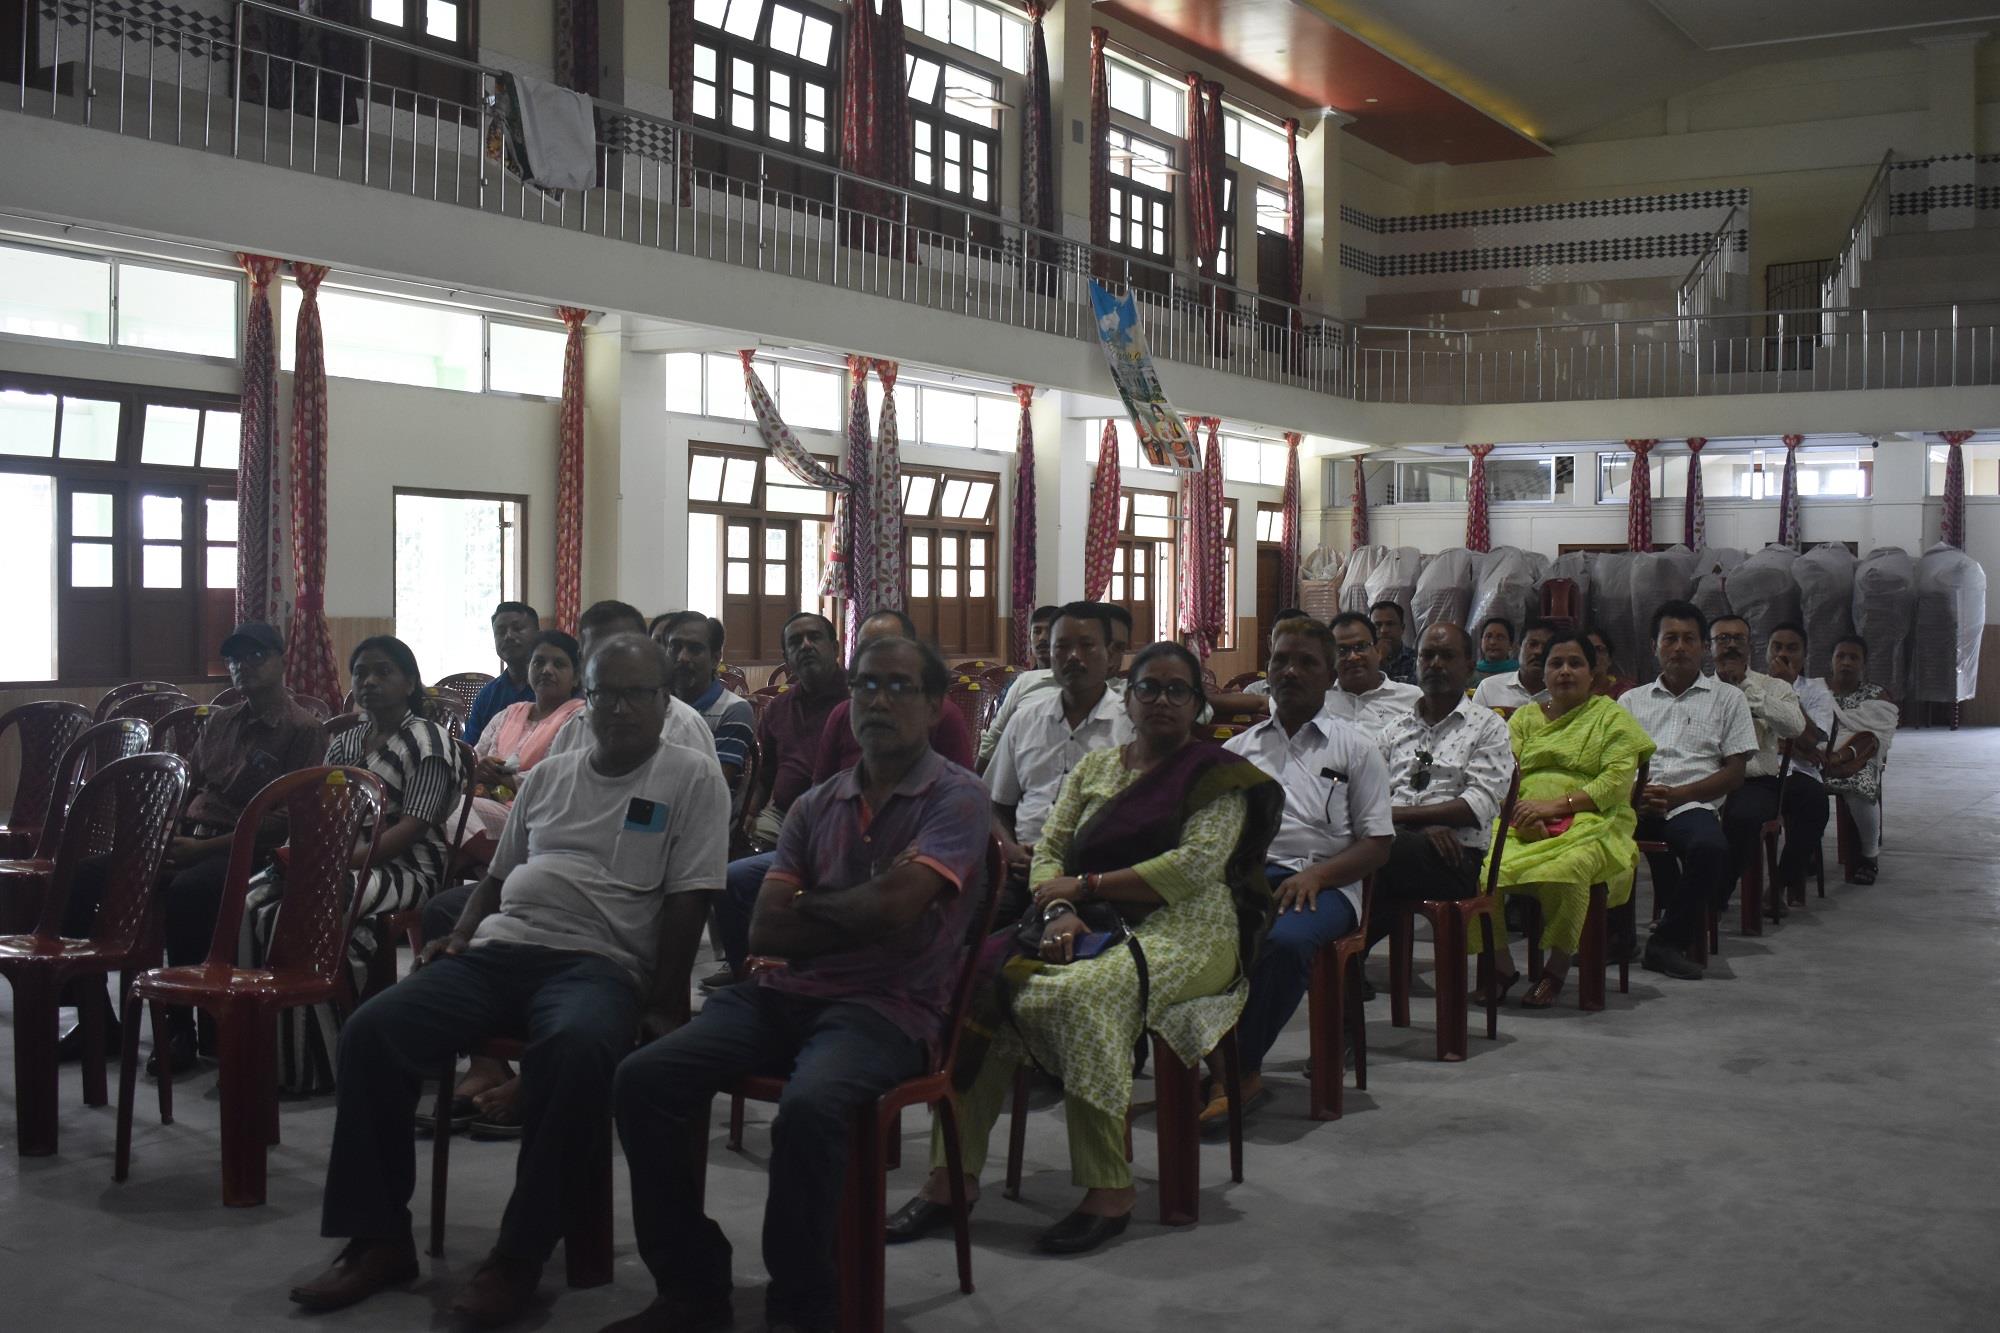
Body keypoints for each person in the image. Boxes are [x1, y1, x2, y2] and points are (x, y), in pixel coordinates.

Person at [290, 635, 727, 1325]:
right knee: (374, 1030)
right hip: (500, 950)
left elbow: (690, 897)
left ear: (663, 700)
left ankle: (518, 1257)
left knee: (577, 1050)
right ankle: (378, 1239)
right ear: (588, 699)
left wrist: (666, 1001)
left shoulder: (691, 777)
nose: (618, 708)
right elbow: (496, 876)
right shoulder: (554, 775)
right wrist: (458, 936)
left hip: (599, 963)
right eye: (605, 693)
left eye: (636, 694)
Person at [607, 635, 990, 1333]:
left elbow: (898, 909)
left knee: (811, 1109)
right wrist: (862, 907)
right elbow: (765, 932)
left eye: (899, 686)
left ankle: (803, 1303)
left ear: (936, 706)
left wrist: (826, 906)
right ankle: (693, 1284)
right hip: (785, 995)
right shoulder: (819, 802)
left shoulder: (957, 798)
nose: (877, 699)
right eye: (866, 685)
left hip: (890, 1009)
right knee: (644, 1077)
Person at [889, 642, 1280, 1257]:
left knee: (1085, 996)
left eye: (1179, 691)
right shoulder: (1097, 770)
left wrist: (1087, 886)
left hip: (1192, 930)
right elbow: (1048, 849)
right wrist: (1061, 907)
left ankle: (1108, 1188)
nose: (1161, 701)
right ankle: (950, 1179)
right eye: (1149, 687)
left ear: (1199, 707)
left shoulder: (1217, 776)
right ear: (1128, 698)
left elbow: (1194, 868)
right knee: (978, 986)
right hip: (1087, 920)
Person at [63, 621, 327, 1074]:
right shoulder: (222, 721)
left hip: (247, 850)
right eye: (234, 659)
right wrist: (164, 833)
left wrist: (203, 850)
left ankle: (180, 1026)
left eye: (255, 656)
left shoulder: (303, 729)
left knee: (189, 891)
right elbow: (187, 785)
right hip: (190, 839)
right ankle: (95, 1020)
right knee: (82, 876)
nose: (243, 666)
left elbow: (288, 821)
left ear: (283, 661)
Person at [239, 636, 471, 1094]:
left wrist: (333, 864)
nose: (369, 681)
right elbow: (319, 812)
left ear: (409, 682)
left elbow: (413, 827)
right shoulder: (344, 742)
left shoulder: (428, 740)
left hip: (408, 868)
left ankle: (320, 1059)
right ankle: (268, 1051)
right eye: (361, 672)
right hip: (339, 865)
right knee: (252, 901)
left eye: (383, 671)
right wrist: (308, 859)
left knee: (313, 904)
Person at [1212, 617, 1392, 1126]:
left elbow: (1378, 844)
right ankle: (1204, 1060)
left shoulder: (1355, 748)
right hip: (1250, 877)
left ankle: (1237, 1071)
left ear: (1329, 673)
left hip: (1327, 882)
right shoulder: (1237, 751)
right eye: (1279, 661)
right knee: (1184, 934)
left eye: (1305, 662)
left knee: (1287, 943)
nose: (1289, 672)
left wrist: (1318, 877)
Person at [1479, 630, 1655, 1006]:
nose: (1564, 671)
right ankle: (1501, 965)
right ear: (1542, 674)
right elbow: (1502, 772)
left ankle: (1556, 969)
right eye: (1555, 663)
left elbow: (1615, 783)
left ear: (1594, 673)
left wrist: (1553, 807)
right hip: (1519, 817)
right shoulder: (1524, 719)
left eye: (1576, 663)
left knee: (1572, 867)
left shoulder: (1612, 719)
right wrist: (1520, 815)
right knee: (1479, 869)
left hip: (1593, 819)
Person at [1620, 601, 1757, 981]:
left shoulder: (1729, 699)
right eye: (1670, 638)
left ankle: (1667, 941)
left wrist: (1680, 795)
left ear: (1702, 647)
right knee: (1593, 842)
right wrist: (1635, 792)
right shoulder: (1631, 701)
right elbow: (1612, 762)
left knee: (1711, 849)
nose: (1679, 647)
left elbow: (1734, 774)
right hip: (1634, 803)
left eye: (1688, 639)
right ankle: (1616, 937)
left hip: (1690, 804)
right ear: (1654, 646)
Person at [709, 612, 848, 979]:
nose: (806, 646)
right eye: (795, 642)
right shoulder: (780, 708)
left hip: (839, 817)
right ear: (786, 658)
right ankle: (744, 963)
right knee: (725, 868)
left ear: (835, 647)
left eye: (815, 638)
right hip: (783, 812)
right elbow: (767, 770)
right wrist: (753, 810)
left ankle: (792, 956)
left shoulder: (857, 700)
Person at [1364, 623, 1514, 953]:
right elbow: (1363, 797)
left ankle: (1342, 957)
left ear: (1469, 666)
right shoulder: (1395, 729)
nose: (1434, 664)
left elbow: (1475, 807)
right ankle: (1345, 963)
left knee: (1373, 856)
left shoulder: (1489, 728)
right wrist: (1420, 825)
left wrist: (1406, 820)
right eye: (1426, 655)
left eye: (1446, 656)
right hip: (1395, 843)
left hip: (1454, 858)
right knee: (1356, 851)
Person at [985, 603, 1133, 908]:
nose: (1074, 657)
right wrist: (1010, 850)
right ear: (1048, 654)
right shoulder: (1025, 720)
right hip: (1018, 872)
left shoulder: (1130, 727)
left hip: (1094, 880)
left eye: (1087, 646)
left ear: (1111, 656)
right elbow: (995, 806)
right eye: (1062, 647)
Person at [1710, 615, 1808, 917]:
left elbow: (1794, 726)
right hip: (1706, 777)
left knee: (1743, 818)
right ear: (1708, 647)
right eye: (1722, 640)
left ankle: (1714, 897)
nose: (1730, 646)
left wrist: (1746, 689)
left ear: (1750, 646)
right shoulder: (1700, 688)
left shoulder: (1773, 687)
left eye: (1738, 639)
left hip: (1754, 780)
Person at [544, 601, 720, 766]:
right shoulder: (572, 730)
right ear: (582, 660)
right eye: (599, 654)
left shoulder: (685, 726)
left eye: (625, 651)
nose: (612, 663)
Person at [811, 609, 975, 781]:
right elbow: (821, 784)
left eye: (888, 646)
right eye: (867, 649)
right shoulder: (843, 713)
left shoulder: (942, 713)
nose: (879, 703)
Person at [462, 630, 586, 858]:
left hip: (533, 814)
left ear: (576, 677)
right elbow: (475, 757)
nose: (546, 670)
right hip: (486, 801)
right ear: (529, 670)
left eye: (558, 664)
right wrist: (480, 768)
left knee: (453, 810)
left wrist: (506, 778)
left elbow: (559, 777)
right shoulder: (509, 713)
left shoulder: (578, 718)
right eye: (538, 662)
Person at [976, 602, 1119, 771]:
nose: (1042, 638)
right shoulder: (1024, 688)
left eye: (1086, 646)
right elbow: (994, 739)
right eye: (1037, 631)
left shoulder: (1114, 703)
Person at [1764, 623, 1835, 905]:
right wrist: (1793, 746)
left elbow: (1815, 740)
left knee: (1816, 805)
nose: (1783, 654)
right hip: (1761, 769)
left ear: (1804, 655)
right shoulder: (1753, 685)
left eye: (1791, 648)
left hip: (1799, 776)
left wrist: (1788, 689)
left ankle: (1780, 883)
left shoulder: (1817, 691)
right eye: (1776, 647)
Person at [1819, 635, 1898, 885]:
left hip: (1859, 760)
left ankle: (1869, 856)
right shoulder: (1818, 693)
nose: (1846, 662)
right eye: (1840, 656)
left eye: (1853, 658)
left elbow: (1878, 734)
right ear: (1831, 661)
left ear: (1863, 664)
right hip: (1818, 757)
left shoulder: (1876, 695)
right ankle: (1807, 851)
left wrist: (1845, 751)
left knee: (1859, 786)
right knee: (1801, 787)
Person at [653, 611, 754, 803]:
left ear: (716, 658)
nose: (682, 657)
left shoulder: (733, 709)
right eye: (675, 647)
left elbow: (710, 788)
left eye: (695, 649)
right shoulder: (654, 704)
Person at [1321, 611, 1422, 739]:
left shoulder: (1412, 698)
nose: (1353, 657)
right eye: (1342, 650)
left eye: (1361, 647)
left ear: (1378, 651)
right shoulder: (1321, 700)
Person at [462, 602, 541, 746]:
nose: (508, 636)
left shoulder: (554, 687)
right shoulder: (487, 696)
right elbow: (469, 749)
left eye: (517, 628)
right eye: (500, 631)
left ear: (538, 634)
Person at [1472, 618, 1556, 712]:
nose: (1538, 652)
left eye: (1545, 647)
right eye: (1532, 644)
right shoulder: (1488, 688)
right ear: (1519, 648)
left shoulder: (1563, 693)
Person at [1238, 607, 1309, 698]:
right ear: (1270, 644)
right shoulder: (1254, 692)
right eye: (1282, 659)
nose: (1290, 671)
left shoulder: (1322, 697)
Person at [1371, 600, 1419, 686]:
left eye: (1390, 624)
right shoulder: (1363, 662)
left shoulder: (1417, 660)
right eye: (1377, 625)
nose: (1383, 631)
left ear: (1402, 628)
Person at [1586, 625, 1637, 698]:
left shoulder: (1624, 692)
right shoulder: (1574, 693)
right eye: (1588, 650)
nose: (1594, 655)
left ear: (1609, 659)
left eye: (1599, 649)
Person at [1475, 616, 1519, 681]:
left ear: (1511, 644)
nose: (1493, 642)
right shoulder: (1470, 673)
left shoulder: (1519, 673)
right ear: (1481, 641)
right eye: (1488, 636)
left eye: (1500, 637)